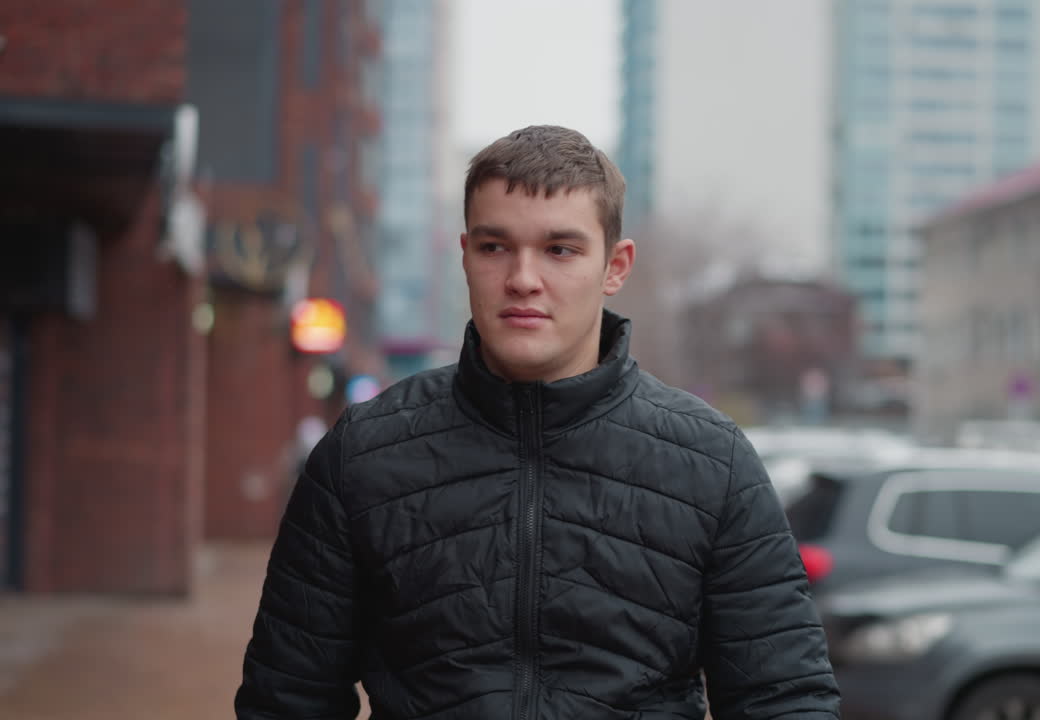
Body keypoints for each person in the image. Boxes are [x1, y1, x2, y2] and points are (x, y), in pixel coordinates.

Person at [235, 125, 840, 719]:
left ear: (615, 266)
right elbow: (287, 700)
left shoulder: (713, 461)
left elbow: (783, 698)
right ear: (466, 256)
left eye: (560, 249)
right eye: (496, 246)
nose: (523, 279)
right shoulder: (363, 454)